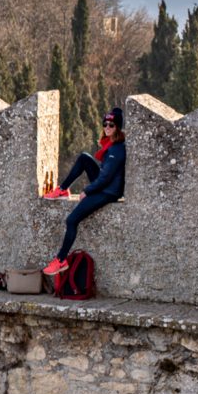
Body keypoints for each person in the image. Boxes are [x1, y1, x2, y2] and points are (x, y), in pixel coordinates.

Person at [42, 107, 126, 276]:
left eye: (111, 125)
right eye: (105, 124)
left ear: (118, 127)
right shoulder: (111, 145)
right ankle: (63, 189)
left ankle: (61, 260)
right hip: (104, 186)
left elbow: (106, 178)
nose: (107, 127)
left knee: (72, 220)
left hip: (108, 192)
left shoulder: (117, 150)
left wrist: (87, 191)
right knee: (84, 158)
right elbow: (103, 175)